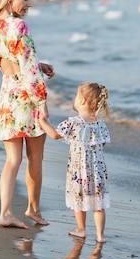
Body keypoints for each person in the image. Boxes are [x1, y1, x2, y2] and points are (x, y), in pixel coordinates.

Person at [0, 0, 55, 229]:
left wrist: (38, 64)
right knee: (35, 157)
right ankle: (33, 210)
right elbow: (28, 70)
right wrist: (42, 104)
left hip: (8, 97)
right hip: (28, 98)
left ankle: (5, 212)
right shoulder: (20, 27)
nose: (29, 4)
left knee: (12, 159)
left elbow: (4, 61)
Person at [39, 82, 111, 242]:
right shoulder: (100, 123)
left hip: (79, 171)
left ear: (83, 101)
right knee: (98, 203)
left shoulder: (74, 122)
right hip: (97, 171)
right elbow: (103, 142)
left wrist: (42, 121)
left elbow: (56, 135)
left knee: (79, 199)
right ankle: (100, 235)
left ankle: (81, 229)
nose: (74, 99)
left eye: (76, 96)